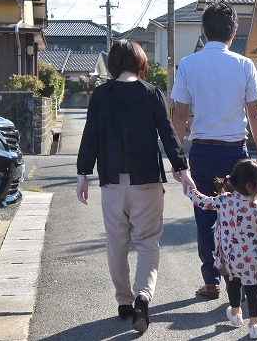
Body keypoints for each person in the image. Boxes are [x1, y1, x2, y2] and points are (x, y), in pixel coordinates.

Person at [76, 39, 194, 333]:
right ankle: (143, 297)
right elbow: (168, 134)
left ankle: (124, 301)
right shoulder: (151, 93)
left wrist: (82, 174)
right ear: (140, 62)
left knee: (117, 244)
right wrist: (182, 168)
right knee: (147, 243)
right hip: (147, 183)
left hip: (112, 184)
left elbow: (90, 136)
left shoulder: (101, 95)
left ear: (114, 63)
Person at [171, 0, 257, 300]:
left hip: (202, 151)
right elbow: (255, 114)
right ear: (234, 32)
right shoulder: (244, 64)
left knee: (205, 215)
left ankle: (211, 280)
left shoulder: (188, 64)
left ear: (203, 30)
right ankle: (237, 277)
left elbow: (180, 115)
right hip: (237, 153)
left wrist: (176, 158)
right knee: (238, 216)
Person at [182, 159, 257, 339]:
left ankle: (235, 314)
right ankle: (255, 326)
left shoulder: (225, 200)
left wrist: (190, 191)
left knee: (232, 285)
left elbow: (204, 202)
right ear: (250, 186)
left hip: (229, 257)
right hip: (251, 258)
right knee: (253, 290)